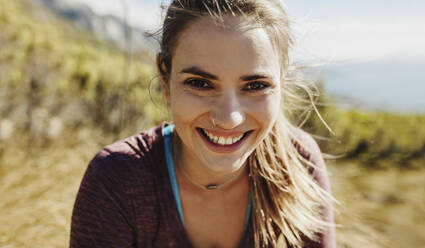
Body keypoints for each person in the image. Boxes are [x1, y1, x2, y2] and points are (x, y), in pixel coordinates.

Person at [70, 0, 336, 247]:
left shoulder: (300, 164)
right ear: (165, 78)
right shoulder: (117, 181)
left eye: (255, 85)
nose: (229, 118)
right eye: (200, 83)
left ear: (282, 81)